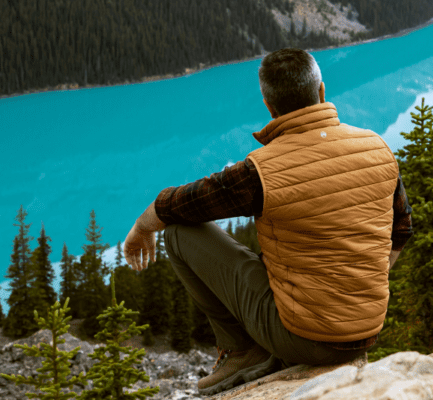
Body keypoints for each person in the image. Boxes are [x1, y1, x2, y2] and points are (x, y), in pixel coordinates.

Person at [122, 48, 413, 396]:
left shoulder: (260, 171)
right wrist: (354, 291)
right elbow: (402, 230)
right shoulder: (376, 147)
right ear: (321, 92)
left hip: (302, 338)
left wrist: (141, 227)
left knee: (179, 234)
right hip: (367, 331)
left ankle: (240, 351)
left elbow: (183, 204)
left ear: (268, 105)